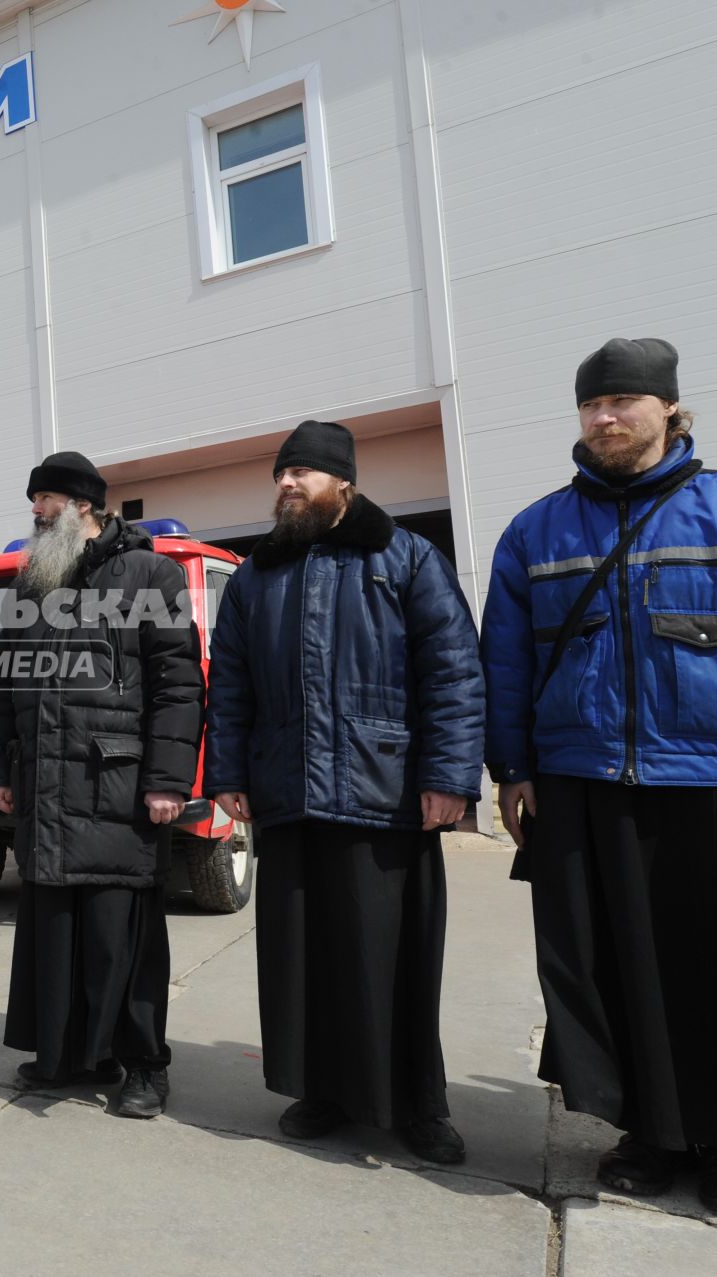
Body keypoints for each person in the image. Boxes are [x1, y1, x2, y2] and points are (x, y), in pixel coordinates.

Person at [482, 338, 717, 1221]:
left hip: (715, 781)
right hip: (581, 780)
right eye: (591, 405)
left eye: (622, 401)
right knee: (612, 965)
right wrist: (513, 771)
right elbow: (505, 664)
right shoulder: (535, 530)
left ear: (670, 408)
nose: (605, 418)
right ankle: (647, 1133)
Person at [206, 420, 484, 1164]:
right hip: (288, 795)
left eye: (303, 472)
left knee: (394, 957)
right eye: (281, 474)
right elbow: (228, 685)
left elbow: (455, 673)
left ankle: (418, 1104)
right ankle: (320, 1089)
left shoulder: (407, 558)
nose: (287, 483)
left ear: (344, 483)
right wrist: (227, 772)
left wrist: (449, 778)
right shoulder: (256, 578)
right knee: (307, 960)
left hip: (383, 793)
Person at [0, 451, 204, 1119]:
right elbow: (1, 679)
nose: (35, 511)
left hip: (117, 783)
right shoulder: (33, 583)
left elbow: (177, 682)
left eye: (44, 498)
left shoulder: (150, 572)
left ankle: (143, 1065)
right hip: (46, 784)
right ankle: (67, 1055)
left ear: (83, 503)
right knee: (54, 932)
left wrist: (168, 778)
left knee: (119, 939)